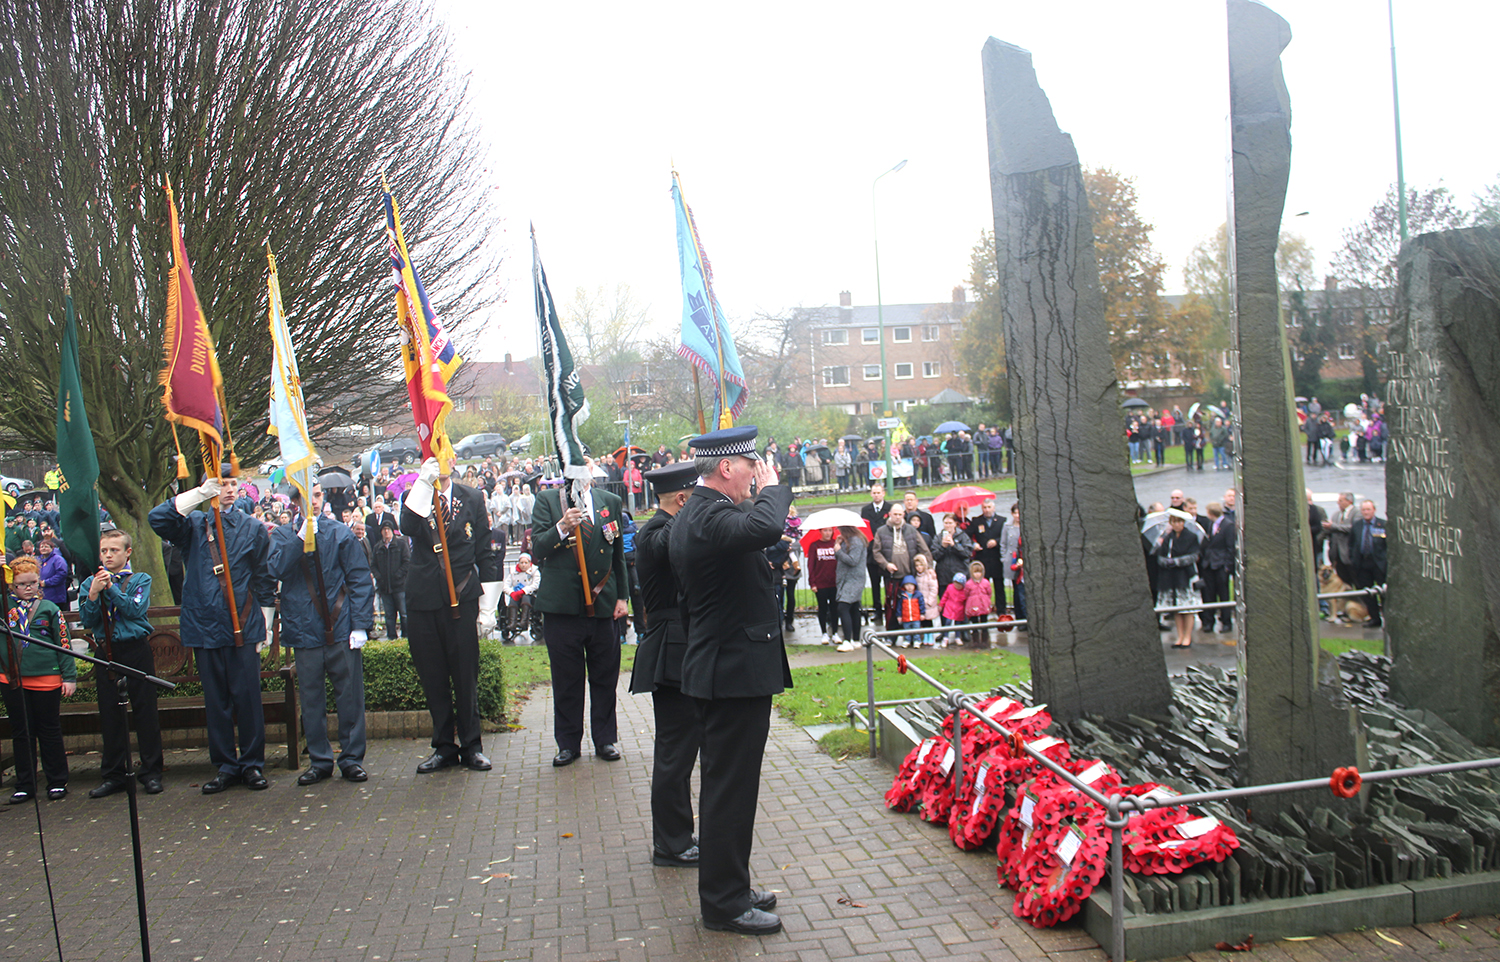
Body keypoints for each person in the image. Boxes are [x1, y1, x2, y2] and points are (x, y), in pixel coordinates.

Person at [669, 425, 790, 935]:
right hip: (731, 673)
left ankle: (732, 886)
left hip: (727, 668)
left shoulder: (703, 514)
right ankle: (722, 903)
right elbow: (760, 527)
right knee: (728, 791)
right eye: (750, 467)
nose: (753, 475)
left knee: (732, 788)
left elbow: (749, 548)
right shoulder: (707, 515)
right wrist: (774, 489)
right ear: (726, 468)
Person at [150, 469, 276, 793]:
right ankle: (225, 766)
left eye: (233, 483)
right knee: (216, 703)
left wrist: (267, 624)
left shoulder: (252, 528)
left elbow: (263, 578)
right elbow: (158, 518)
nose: (229, 490)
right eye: (222, 484)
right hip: (204, 627)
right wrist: (198, 495)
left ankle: (252, 765)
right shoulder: (193, 526)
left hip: (241, 627)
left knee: (247, 700)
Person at [400, 457, 504, 774]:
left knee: (465, 676)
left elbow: (486, 551)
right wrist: (421, 482)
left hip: (462, 598)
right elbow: (407, 526)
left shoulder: (471, 497)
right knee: (433, 677)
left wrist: (488, 608)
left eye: (444, 456)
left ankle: (472, 746)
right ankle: (444, 747)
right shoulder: (416, 494)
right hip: (424, 600)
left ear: (454, 460)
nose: (440, 463)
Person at [268, 483, 376, 785]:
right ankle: (319, 760)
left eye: (316, 495)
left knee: (350, 697)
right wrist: (300, 538)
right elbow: (276, 568)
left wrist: (360, 624)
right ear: (294, 502)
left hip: (340, 627)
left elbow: (358, 578)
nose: (313, 501)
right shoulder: (283, 535)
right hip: (304, 630)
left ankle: (352, 758)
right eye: (306, 496)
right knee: (312, 699)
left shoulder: (340, 533)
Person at [531, 457, 630, 767]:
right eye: (575, 466)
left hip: (602, 606)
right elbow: (537, 550)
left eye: (586, 465)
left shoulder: (609, 501)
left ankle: (605, 739)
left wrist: (623, 597)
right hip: (563, 608)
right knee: (567, 680)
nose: (582, 471)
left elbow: (618, 556)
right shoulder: (548, 501)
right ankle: (568, 743)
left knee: (604, 677)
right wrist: (562, 527)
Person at [627, 461, 702, 868]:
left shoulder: (667, 526)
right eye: (695, 498)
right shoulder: (655, 532)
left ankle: (676, 837)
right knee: (674, 752)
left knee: (682, 749)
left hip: (681, 645)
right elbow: (670, 543)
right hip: (671, 647)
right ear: (681, 499)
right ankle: (671, 842)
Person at [80, 529, 164, 798]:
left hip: (135, 650)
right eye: (104, 551)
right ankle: (114, 775)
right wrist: (93, 594)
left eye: (114, 550)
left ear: (127, 552)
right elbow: (88, 620)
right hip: (107, 652)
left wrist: (112, 589)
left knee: (145, 712)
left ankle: (151, 773)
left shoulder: (140, 579)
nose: (108, 555)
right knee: (110, 715)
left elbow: (134, 609)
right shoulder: (90, 583)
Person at [1, 557, 75, 802]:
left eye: (33, 582)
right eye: (22, 584)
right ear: (12, 586)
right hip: (13, 679)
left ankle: (56, 781)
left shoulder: (49, 609)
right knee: (22, 732)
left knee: (49, 730)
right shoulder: (5, 607)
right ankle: (25, 783)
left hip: (47, 677)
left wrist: (69, 676)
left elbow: (63, 643)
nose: (29, 587)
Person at [872, 505, 932, 630]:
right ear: (889, 514)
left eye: (900, 514)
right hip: (891, 577)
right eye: (895, 514)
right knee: (892, 607)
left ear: (903, 515)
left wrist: (929, 568)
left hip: (909, 576)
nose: (897, 517)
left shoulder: (911, 530)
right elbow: (876, 552)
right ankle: (891, 634)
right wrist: (886, 564)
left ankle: (912, 635)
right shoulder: (881, 531)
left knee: (912, 605)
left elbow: (925, 550)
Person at [1153, 511, 1202, 649]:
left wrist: (1176, 561)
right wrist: (1165, 562)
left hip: (1186, 576)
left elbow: (1194, 556)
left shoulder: (1191, 537)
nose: (1177, 525)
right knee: (1177, 608)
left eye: (1179, 522)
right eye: (1174, 522)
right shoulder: (1168, 538)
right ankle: (1180, 636)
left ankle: (1187, 636)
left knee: (1188, 608)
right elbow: (1160, 557)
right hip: (1170, 577)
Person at [1349, 499, 1387, 629]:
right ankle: (1374, 618)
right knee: (1368, 593)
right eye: (1364, 510)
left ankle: (1388, 618)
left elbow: (1388, 545)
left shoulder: (1382, 525)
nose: (1366, 512)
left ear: (1374, 510)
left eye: (1368, 509)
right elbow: (1352, 543)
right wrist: (1353, 560)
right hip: (1362, 564)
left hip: (1379, 564)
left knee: (1384, 592)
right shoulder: (1357, 525)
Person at [965, 498, 1005, 615]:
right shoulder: (977, 521)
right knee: (980, 588)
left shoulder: (1002, 521)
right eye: (984, 508)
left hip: (996, 559)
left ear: (994, 508)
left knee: (999, 587)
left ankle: (1001, 612)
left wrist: (996, 541)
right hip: (982, 560)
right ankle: (983, 611)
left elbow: (1005, 537)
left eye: (989, 507)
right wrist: (974, 544)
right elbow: (966, 535)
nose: (987, 510)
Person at [860, 484, 892, 625]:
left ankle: (889, 610)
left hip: (886, 553)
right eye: (874, 492)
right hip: (871, 553)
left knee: (888, 583)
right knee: (874, 584)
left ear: (883, 493)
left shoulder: (890, 508)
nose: (877, 495)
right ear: (871, 494)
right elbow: (864, 530)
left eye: (879, 492)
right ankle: (877, 611)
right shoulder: (865, 510)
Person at [372, 521, 410, 640]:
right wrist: (379, 577)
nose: (386, 532)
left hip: (399, 586)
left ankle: (406, 637)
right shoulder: (378, 547)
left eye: (388, 529)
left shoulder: (401, 544)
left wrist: (398, 575)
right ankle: (392, 638)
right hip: (384, 587)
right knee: (389, 616)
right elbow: (373, 565)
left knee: (404, 614)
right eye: (384, 530)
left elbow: (407, 562)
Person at [833, 527, 866, 652]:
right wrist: (838, 545)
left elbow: (853, 560)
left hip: (853, 579)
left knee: (843, 607)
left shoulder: (856, 541)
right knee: (854, 608)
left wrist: (839, 551)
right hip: (846, 579)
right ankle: (856, 639)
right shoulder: (848, 541)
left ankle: (847, 640)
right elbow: (840, 559)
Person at [805, 527, 839, 645]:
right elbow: (811, 565)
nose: (828, 533)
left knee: (835, 609)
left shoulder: (836, 544)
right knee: (823, 608)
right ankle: (824, 633)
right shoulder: (814, 546)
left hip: (835, 583)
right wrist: (812, 582)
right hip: (820, 583)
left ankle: (835, 632)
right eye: (825, 531)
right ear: (820, 532)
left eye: (830, 531)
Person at [503, 553, 541, 643]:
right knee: (513, 600)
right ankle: (512, 623)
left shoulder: (535, 572)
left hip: (530, 595)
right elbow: (506, 585)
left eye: (525, 563)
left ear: (529, 563)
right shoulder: (513, 573)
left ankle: (524, 622)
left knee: (525, 598)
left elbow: (536, 585)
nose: (523, 565)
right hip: (516, 594)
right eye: (522, 563)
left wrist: (524, 591)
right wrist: (511, 592)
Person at [963, 560, 994, 648]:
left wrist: (987, 601)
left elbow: (989, 592)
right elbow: (966, 594)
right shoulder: (969, 584)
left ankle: (984, 640)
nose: (977, 574)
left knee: (984, 623)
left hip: (983, 606)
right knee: (975, 623)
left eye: (979, 572)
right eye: (975, 572)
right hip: (973, 606)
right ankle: (975, 640)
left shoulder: (985, 582)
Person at [913, 554, 938, 646]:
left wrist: (930, 601)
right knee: (923, 620)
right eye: (917, 566)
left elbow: (934, 589)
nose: (919, 568)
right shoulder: (917, 576)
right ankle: (925, 636)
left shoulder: (929, 575)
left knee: (929, 620)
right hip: (920, 602)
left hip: (928, 602)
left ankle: (930, 636)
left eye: (921, 565)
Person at [37, 538, 69, 608]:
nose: (43, 548)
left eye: (46, 547)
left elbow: (61, 574)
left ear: (52, 548)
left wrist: (46, 582)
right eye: (41, 547)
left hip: (56, 597)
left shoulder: (58, 559)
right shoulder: (38, 560)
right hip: (42, 597)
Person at [896, 575, 926, 648]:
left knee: (916, 629)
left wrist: (922, 613)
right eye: (907, 585)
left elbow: (922, 605)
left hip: (916, 617)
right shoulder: (902, 595)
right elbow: (899, 606)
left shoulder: (918, 595)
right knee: (906, 629)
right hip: (906, 617)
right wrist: (899, 615)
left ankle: (917, 640)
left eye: (911, 585)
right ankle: (907, 640)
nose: (909, 587)